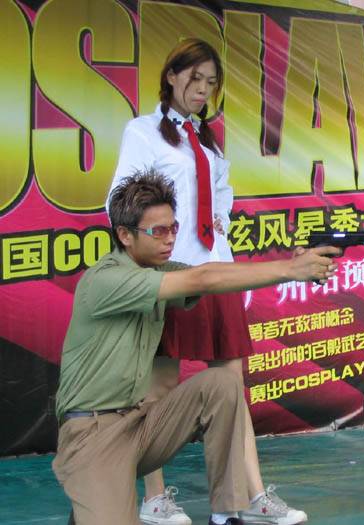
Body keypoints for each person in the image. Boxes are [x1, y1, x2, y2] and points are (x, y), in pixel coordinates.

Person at [53, 172, 339, 525]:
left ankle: (226, 513)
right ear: (125, 235)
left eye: (173, 228)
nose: (171, 238)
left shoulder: (158, 269)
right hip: (92, 438)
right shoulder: (105, 279)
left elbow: (213, 276)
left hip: (139, 427)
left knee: (222, 384)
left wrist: (294, 261)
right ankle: (91, 496)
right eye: (158, 231)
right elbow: (202, 279)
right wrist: (290, 269)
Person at [107, 39, 305, 525]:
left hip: (217, 272)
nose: (202, 90)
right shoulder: (143, 132)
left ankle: (245, 499)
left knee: (232, 388)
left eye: (211, 83)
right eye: (194, 78)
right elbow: (120, 199)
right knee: (160, 385)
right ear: (171, 76)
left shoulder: (208, 142)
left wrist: (223, 235)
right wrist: (152, 246)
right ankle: (154, 498)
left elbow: (220, 199)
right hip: (170, 273)